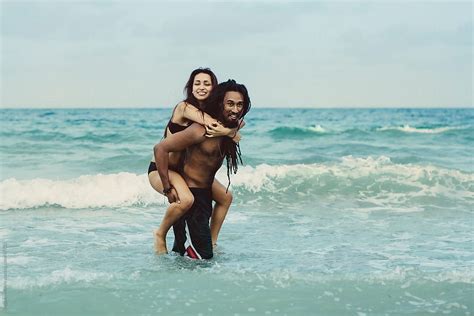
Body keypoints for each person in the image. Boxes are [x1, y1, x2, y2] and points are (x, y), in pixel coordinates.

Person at [148, 68, 243, 254]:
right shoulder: (184, 108)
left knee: (226, 197)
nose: (201, 87)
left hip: (183, 171)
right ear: (190, 88)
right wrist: (229, 132)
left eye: (207, 83)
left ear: (214, 87)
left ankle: (213, 240)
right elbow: (211, 123)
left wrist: (230, 130)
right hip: (163, 169)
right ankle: (159, 234)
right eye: (197, 83)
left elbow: (236, 120)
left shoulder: (211, 110)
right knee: (186, 200)